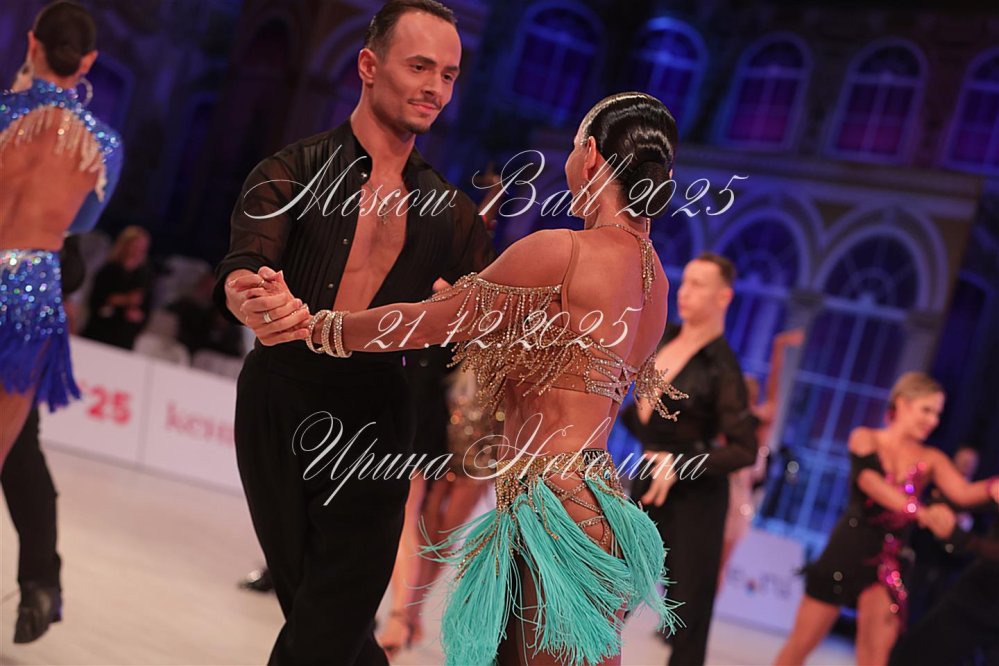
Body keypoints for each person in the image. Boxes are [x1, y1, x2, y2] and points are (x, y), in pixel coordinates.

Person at [259, 90, 687, 665]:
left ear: (588, 155)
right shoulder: (656, 280)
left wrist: (317, 326)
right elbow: (569, 371)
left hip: (555, 509)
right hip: (595, 503)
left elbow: (424, 323)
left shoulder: (563, 251)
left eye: (570, 150)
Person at [214, 2, 495, 663]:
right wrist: (252, 298)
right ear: (368, 65)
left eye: (448, 75)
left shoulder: (455, 217)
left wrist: (463, 316)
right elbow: (243, 267)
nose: (435, 88)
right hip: (278, 402)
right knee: (319, 611)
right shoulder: (289, 171)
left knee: (330, 615)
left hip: (378, 417)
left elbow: (482, 319)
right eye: (419, 67)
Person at [774, 372, 999, 666]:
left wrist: (991, 487)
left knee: (875, 657)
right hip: (847, 549)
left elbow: (963, 493)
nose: (933, 421)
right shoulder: (866, 438)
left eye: (938, 414)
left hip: (889, 560)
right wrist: (921, 512)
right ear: (902, 403)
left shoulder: (932, 458)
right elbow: (870, 482)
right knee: (799, 645)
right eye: (926, 410)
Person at [620, 252, 759, 666]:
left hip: (696, 498)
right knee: (614, 589)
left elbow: (745, 449)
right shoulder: (665, 339)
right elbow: (638, 417)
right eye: (686, 281)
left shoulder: (722, 367)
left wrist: (680, 463)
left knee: (687, 612)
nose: (685, 291)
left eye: (699, 284)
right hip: (649, 480)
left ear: (724, 297)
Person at [1, 0, 123, 463]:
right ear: (87, 61)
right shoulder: (104, 144)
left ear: (32, 44)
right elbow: (82, 223)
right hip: (32, 290)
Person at [81, 225, 153, 350]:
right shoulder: (109, 271)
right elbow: (96, 300)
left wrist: (138, 316)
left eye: (142, 248)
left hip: (124, 338)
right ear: (125, 245)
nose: (138, 251)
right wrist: (123, 300)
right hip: (100, 332)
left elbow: (146, 309)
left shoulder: (145, 277)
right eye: (135, 246)